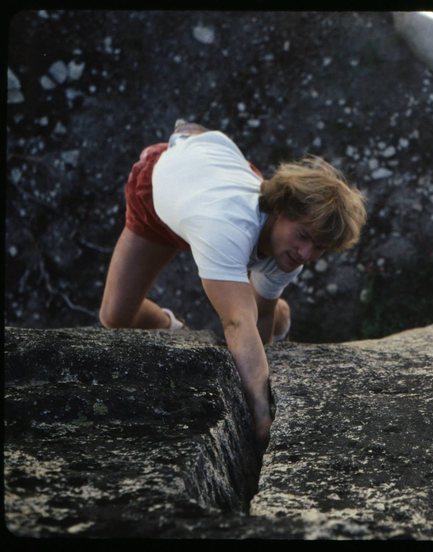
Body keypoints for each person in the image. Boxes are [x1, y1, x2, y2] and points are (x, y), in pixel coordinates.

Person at [99, 119, 367, 447]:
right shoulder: (228, 225)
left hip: (215, 170)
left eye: (320, 247)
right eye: (304, 237)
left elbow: (260, 317)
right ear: (281, 211)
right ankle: (177, 331)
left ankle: (192, 137)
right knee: (115, 317)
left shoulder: (290, 248)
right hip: (161, 189)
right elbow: (237, 321)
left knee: (262, 308)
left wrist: (265, 379)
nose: (306, 254)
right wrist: (261, 416)